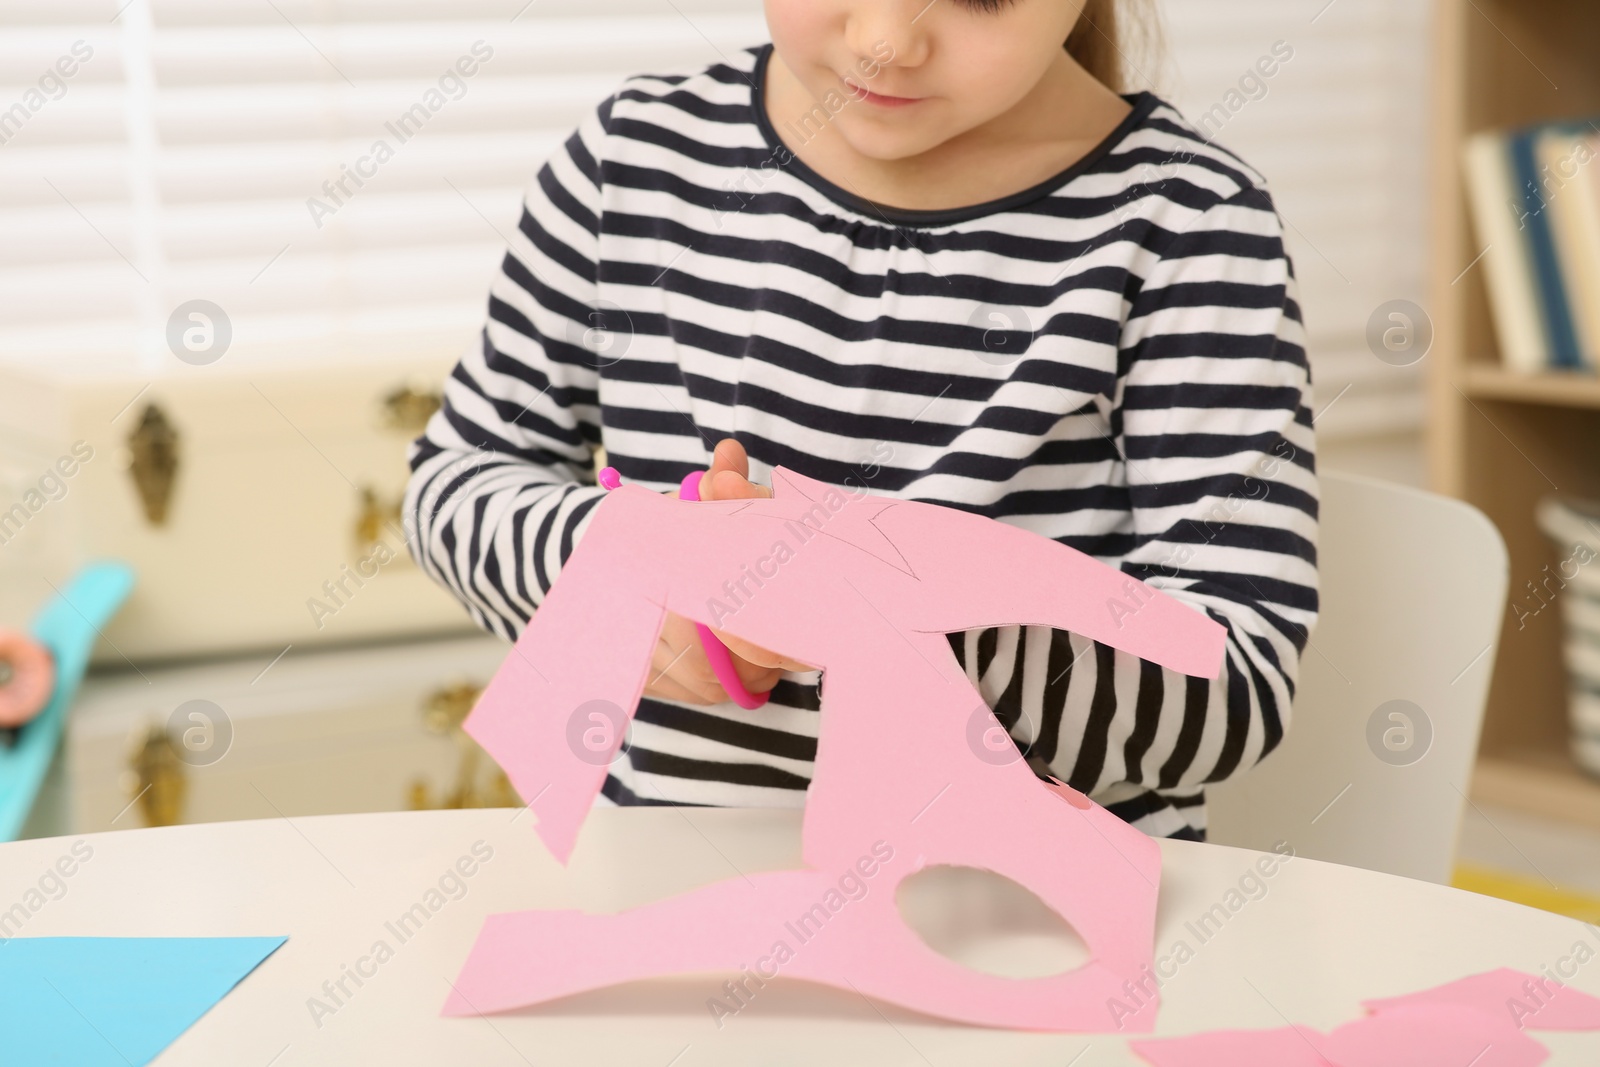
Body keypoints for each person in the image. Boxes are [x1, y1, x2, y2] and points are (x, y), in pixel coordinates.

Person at [404, 0, 1318, 841]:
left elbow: (1234, 683)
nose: (887, 40)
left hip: (1026, 937)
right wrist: (631, 559)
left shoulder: (1189, 226)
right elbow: (456, 484)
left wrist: (889, 621)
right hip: (676, 899)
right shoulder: (635, 160)